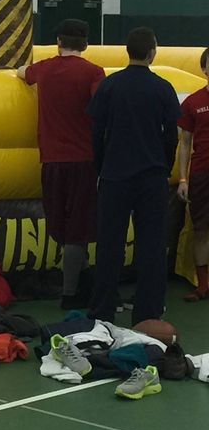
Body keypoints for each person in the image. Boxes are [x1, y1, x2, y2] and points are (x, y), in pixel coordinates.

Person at [87, 27, 181, 324]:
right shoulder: (164, 88)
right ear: (153, 53)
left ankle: (102, 309)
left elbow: (96, 132)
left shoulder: (109, 86)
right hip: (152, 176)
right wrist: (163, 167)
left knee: (109, 245)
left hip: (115, 175)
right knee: (152, 246)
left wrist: (102, 168)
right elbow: (171, 137)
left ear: (127, 51)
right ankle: (148, 311)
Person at [17, 19, 105, 308]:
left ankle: (84, 282)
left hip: (51, 160)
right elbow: (101, 108)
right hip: (83, 159)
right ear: (86, 44)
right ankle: (71, 293)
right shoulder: (94, 72)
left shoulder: (45, 69)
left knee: (63, 227)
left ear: (58, 41)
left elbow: (21, 73)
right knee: (78, 229)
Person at [177, 47, 209, 302]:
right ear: (204, 69)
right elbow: (185, 143)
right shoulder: (192, 103)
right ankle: (203, 286)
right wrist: (183, 179)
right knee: (201, 230)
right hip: (201, 175)